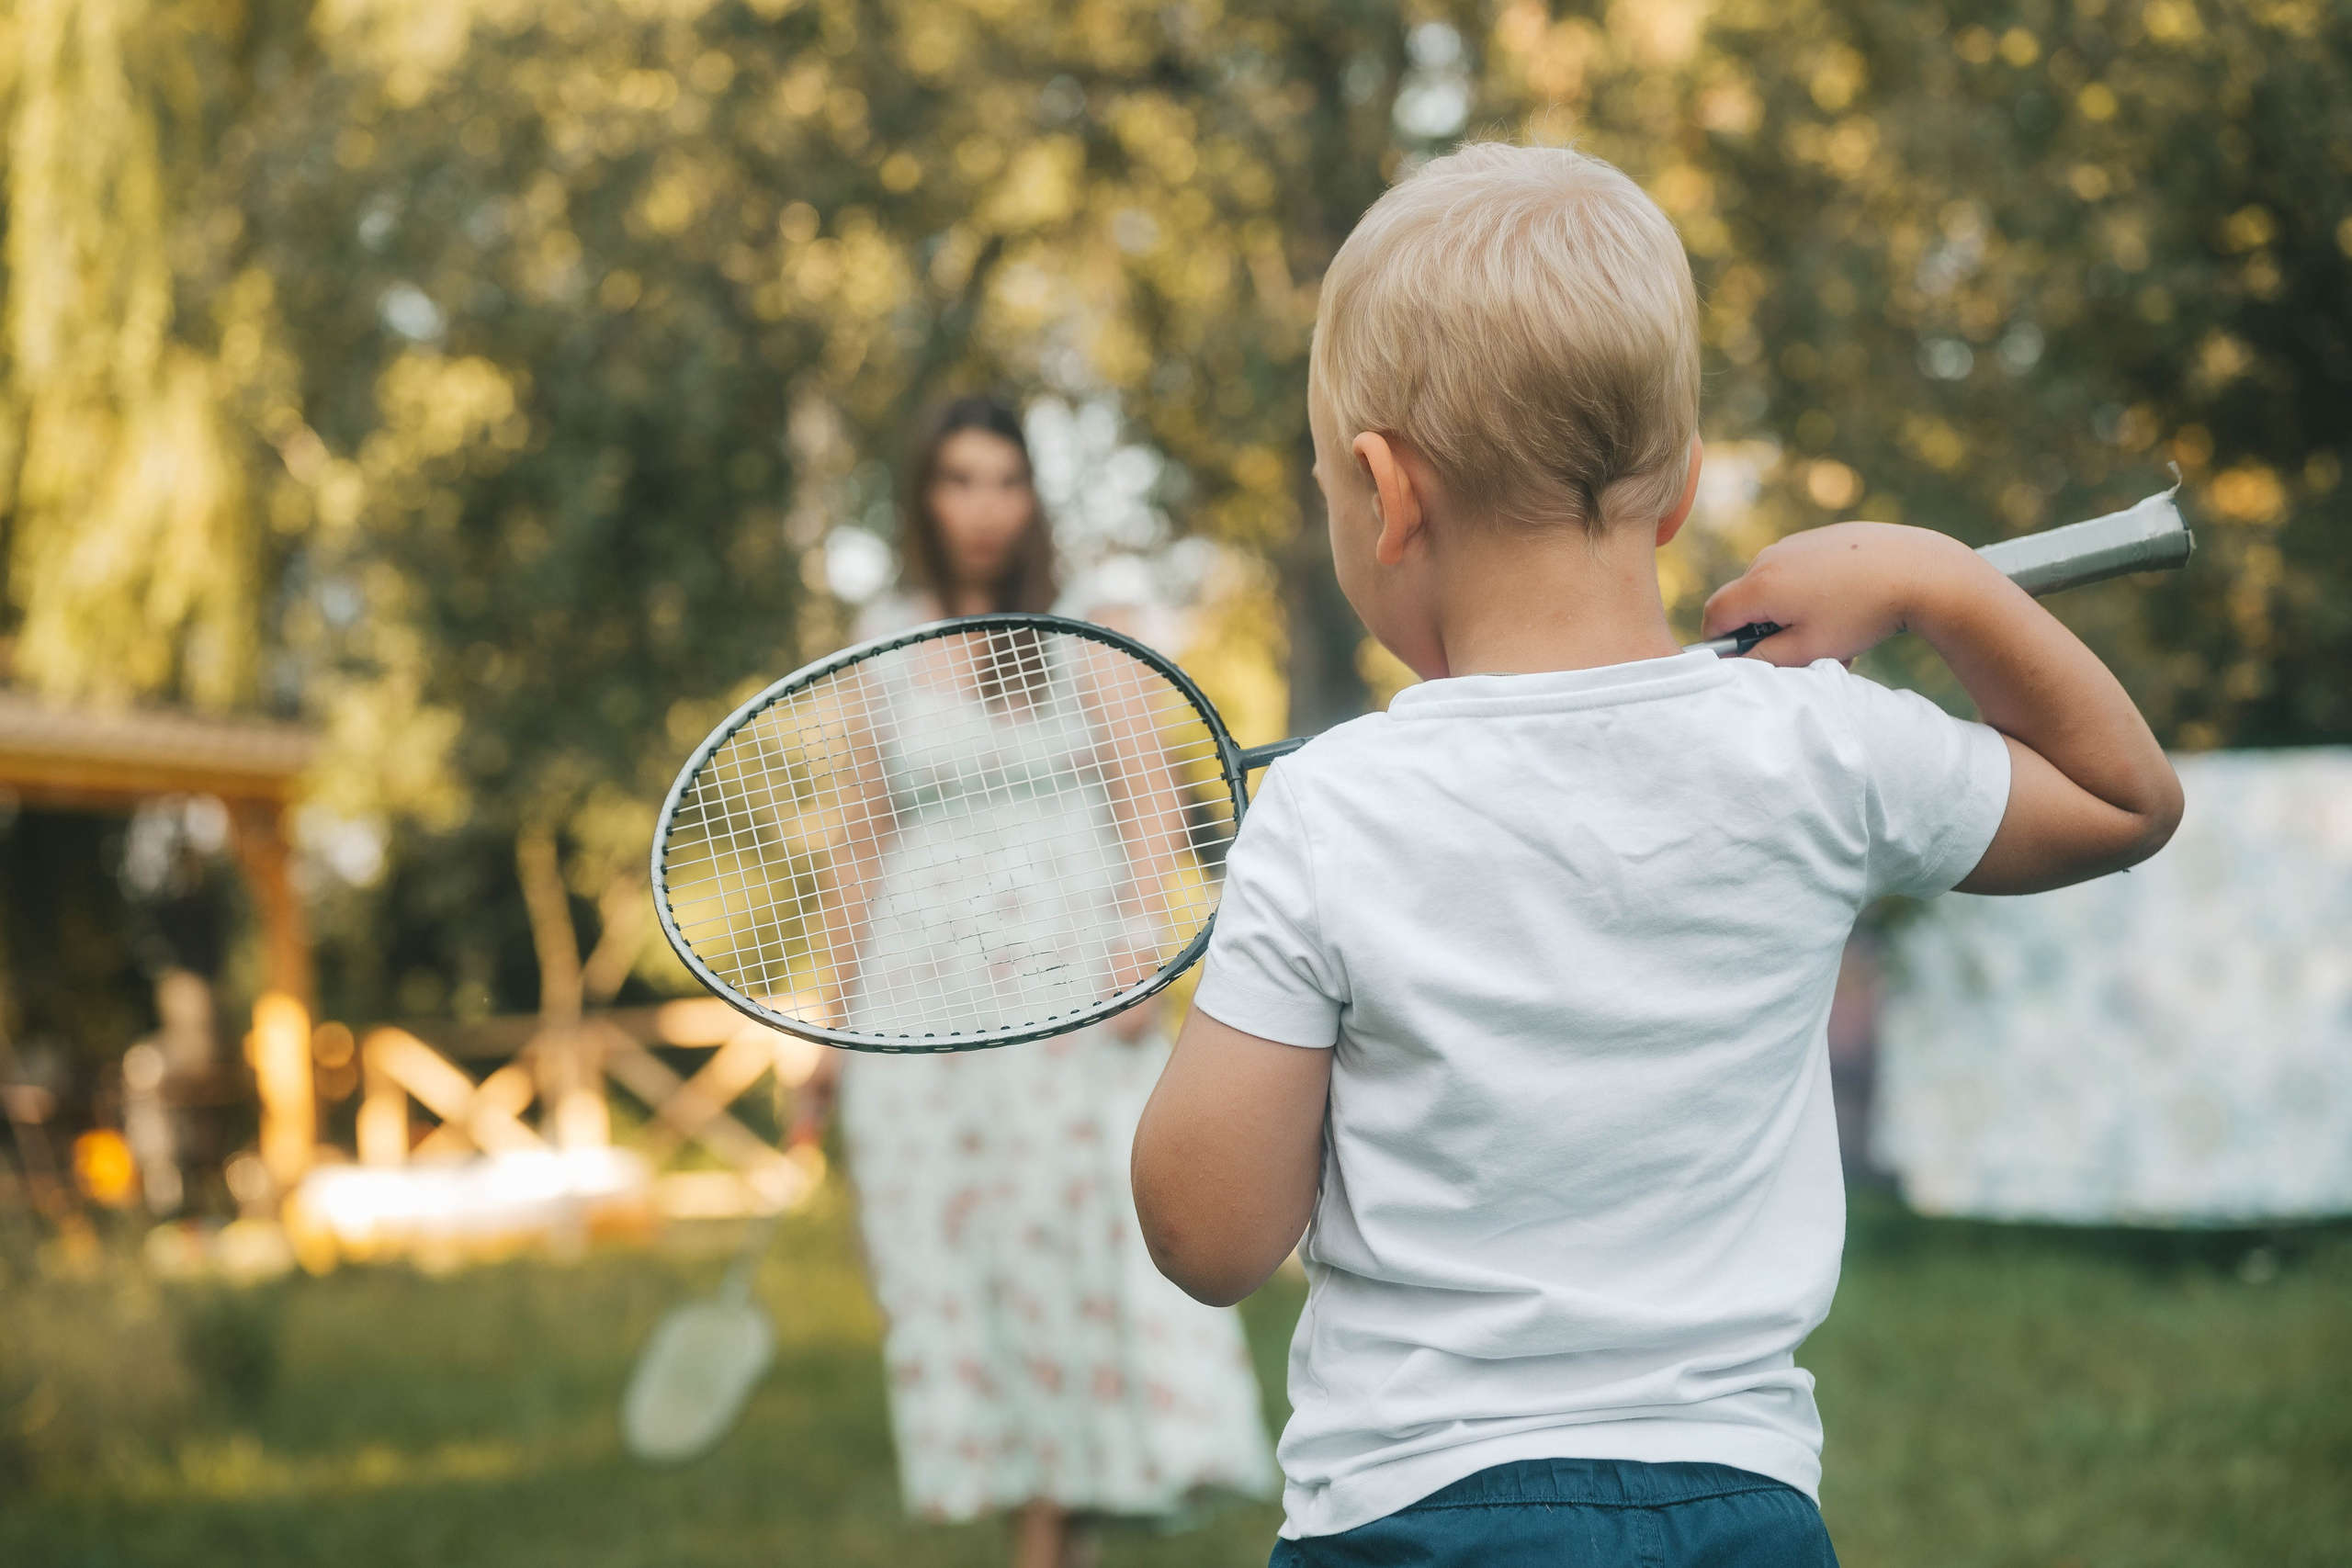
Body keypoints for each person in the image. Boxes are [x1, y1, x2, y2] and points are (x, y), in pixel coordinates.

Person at [1129, 144, 2182, 1566]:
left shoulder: (1332, 809)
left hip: (1425, 1512)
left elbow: (1208, 1237)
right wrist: (1936, 574)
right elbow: (2126, 799)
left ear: (1382, 493)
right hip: (1740, 1509)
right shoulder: (1820, 746)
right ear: (1679, 487)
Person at [796, 396, 1277, 1568]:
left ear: (1032, 498)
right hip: (922, 1000)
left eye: (1004, 481)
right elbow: (860, 842)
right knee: (966, 1263)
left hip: (1065, 989)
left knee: (1076, 1245)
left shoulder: (1080, 632)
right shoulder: (887, 643)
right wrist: (824, 1035)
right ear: (924, 499)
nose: (981, 507)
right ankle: (1050, 1526)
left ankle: (1055, 1534)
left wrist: (1138, 956)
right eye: (958, 481)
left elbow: (1149, 795)